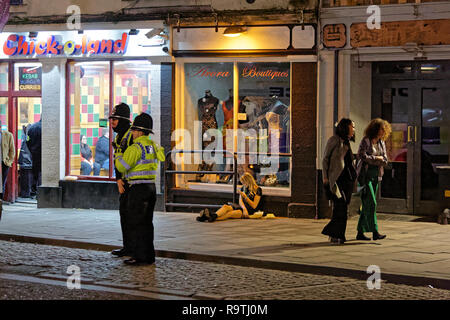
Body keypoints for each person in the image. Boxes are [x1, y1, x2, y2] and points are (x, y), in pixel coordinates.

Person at [115, 112, 165, 265]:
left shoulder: (136, 147)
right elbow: (161, 158)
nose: (133, 132)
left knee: (136, 223)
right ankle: (148, 255)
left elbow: (122, 166)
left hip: (137, 189)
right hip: (151, 188)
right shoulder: (153, 146)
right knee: (147, 224)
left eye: (135, 130)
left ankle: (138, 256)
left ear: (140, 131)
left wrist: (118, 154)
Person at [321, 118, 357, 244]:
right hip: (337, 179)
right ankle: (336, 234)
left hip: (347, 179)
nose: (354, 129)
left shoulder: (347, 142)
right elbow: (325, 159)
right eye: (352, 126)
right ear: (345, 127)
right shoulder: (334, 140)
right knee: (339, 207)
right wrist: (325, 177)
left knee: (343, 207)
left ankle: (336, 234)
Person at [355, 118, 391, 241]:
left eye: (384, 129)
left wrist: (378, 159)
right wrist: (377, 159)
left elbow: (385, 160)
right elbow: (361, 155)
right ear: (375, 129)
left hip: (376, 175)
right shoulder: (366, 140)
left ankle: (360, 232)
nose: (383, 131)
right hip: (365, 175)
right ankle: (375, 231)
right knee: (372, 203)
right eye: (381, 129)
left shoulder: (381, 143)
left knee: (367, 204)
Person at [109, 103, 134, 258]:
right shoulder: (119, 136)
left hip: (133, 183)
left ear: (123, 120)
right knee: (124, 216)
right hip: (123, 182)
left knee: (132, 218)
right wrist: (118, 179)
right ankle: (127, 246)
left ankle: (133, 248)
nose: (112, 122)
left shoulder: (131, 136)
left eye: (115, 119)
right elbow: (117, 160)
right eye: (111, 119)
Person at [198, 172, 264, 222]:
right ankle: (211, 216)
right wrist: (244, 208)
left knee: (230, 214)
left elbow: (254, 205)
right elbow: (240, 201)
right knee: (225, 207)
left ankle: (208, 217)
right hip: (242, 207)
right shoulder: (243, 188)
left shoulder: (258, 189)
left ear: (248, 181)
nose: (243, 184)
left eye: (244, 182)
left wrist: (246, 197)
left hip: (250, 210)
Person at [0, 120, 15, 209]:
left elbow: (12, 150)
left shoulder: (8, 135)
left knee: (2, 183)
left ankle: (0, 203)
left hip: (4, 163)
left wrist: (8, 162)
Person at [26, 119, 42, 197]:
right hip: (42, 153)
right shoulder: (45, 127)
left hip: (33, 153)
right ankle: (40, 192)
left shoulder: (32, 127)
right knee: (41, 172)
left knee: (34, 172)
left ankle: (33, 191)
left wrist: (31, 150)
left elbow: (27, 141)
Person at [18, 124, 34, 198]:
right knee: (26, 179)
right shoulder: (26, 137)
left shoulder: (26, 137)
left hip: (26, 162)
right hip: (26, 162)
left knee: (26, 179)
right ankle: (26, 193)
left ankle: (26, 193)